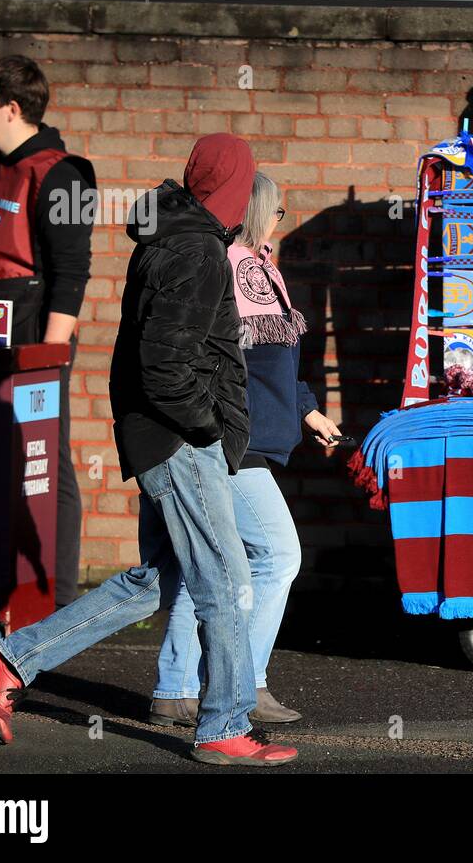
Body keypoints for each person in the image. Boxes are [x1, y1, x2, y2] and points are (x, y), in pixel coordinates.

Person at [0, 134, 299, 766]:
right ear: (233, 187)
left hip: (170, 437)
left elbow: (169, 356)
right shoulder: (197, 250)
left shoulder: (177, 236)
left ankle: (15, 656)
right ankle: (223, 727)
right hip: (181, 441)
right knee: (229, 581)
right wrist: (208, 432)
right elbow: (164, 366)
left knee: (164, 578)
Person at [150, 171, 341, 728]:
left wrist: (306, 411)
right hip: (232, 442)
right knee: (279, 556)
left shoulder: (260, 270)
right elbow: (213, 362)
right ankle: (245, 682)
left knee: (201, 567)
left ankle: (175, 687)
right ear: (258, 212)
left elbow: (275, 364)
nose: (280, 223)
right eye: (278, 212)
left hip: (249, 438)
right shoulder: (228, 269)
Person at [0, 55, 92, 607]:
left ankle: (54, 599)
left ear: (12, 108)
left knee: (44, 461)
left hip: (36, 331)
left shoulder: (68, 172)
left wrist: (51, 354)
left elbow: (73, 273)